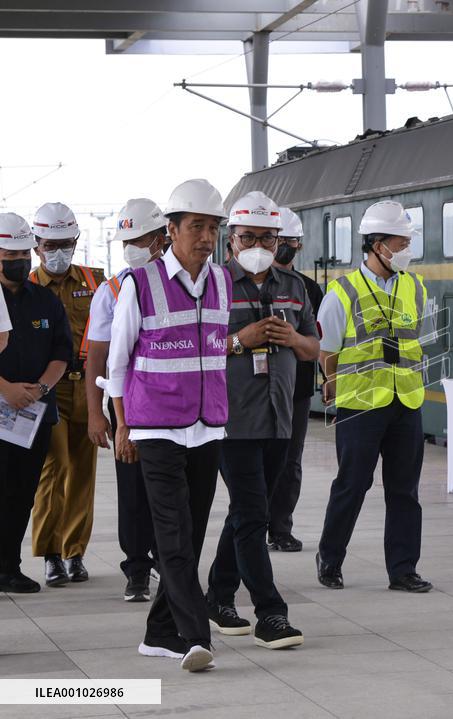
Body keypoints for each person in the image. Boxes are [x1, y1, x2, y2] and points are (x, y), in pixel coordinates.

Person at [107, 178, 230, 673]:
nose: (205, 236)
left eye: (212, 227)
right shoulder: (140, 285)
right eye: (196, 226)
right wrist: (120, 426)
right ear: (171, 231)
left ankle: (159, 633)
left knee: (193, 533)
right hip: (155, 427)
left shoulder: (221, 281)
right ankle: (195, 637)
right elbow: (117, 366)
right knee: (174, 537)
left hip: (206, 428)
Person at [205, 191, 316, 650]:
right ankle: (271, 613)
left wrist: (291, 337)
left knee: (249, 513)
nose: (257, 244)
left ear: (279, 241)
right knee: (253, 513)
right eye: (247, 236)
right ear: (230, 240)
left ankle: (218, 594)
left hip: (279, 415)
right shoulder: (212, 285)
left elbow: (315, 349)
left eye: (267, 238)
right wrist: (239, 340)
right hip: (231, 418)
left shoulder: (295, 287)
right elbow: (196, 348)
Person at [314, 201, 432, 593]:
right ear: (377, 244)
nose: (405, 250)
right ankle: (330, 559)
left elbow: (417, 341)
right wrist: (336, 387)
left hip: (406, 401)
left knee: (405, 491)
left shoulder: (413, 286)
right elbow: (327, 350)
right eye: (400, 242)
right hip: (360, 406)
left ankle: (403, 569)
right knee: (352, 485)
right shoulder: (342, 291)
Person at [86, 198, 166, 602]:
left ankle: (169, 567)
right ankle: (137, 569)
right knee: (133, 490)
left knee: (175, 493)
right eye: (127, 240)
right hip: (130, 409)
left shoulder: (186, 282)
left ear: (161, 239)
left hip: (176, 408)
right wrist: (97, 415)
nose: (132, 247)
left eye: (140, 238)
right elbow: (97, 356)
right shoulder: (112, 290)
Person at [29, 202, 104, 587]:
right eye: (49, 244)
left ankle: (75, 552)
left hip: (87, 387)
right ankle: (51, 554)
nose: (57, 251)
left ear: (75, 241)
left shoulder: (96, 282)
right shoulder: (26, 286)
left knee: (82, 474)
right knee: (53, 468)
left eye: (65, 243)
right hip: (47, 391)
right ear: (36, 245)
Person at [0, 213, 72, 593]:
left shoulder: (44, 300)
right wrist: (6, 390)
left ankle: (9, 567)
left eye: (22, 252)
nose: (19, 260)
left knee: (22, 492)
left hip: (34, 414)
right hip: (1, 407)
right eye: (9, 253)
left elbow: (63, 351)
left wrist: (40, 389)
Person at [267, 206, 325, 553]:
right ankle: (255, 521)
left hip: (297, 388)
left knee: (290, 460)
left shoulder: (308, 288)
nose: (288, 246)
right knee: (258, 459)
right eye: (283, 240)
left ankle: (281, 527)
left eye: (293, 242)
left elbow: (315, 340)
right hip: (256, 387)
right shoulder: (240, 282)